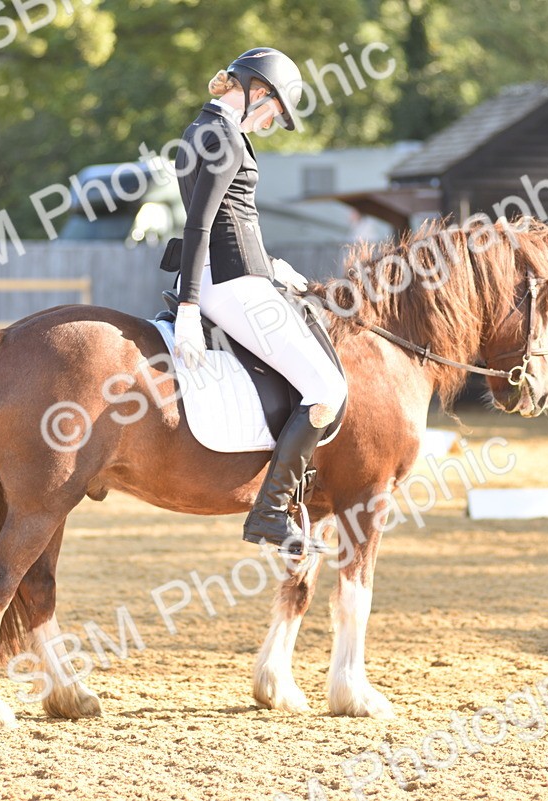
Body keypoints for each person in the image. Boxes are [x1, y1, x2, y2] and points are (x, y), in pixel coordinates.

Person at [171, 48, 348, 556]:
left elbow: (231, 220)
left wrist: (272, 267)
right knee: (327, 387)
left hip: (241, 274)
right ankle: (269, 513)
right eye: (273, 109)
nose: (271, 121)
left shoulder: (208, 127)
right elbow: (200, 224)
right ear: (256, 90)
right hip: (229, 284)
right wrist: (187, 308)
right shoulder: (224, 136)